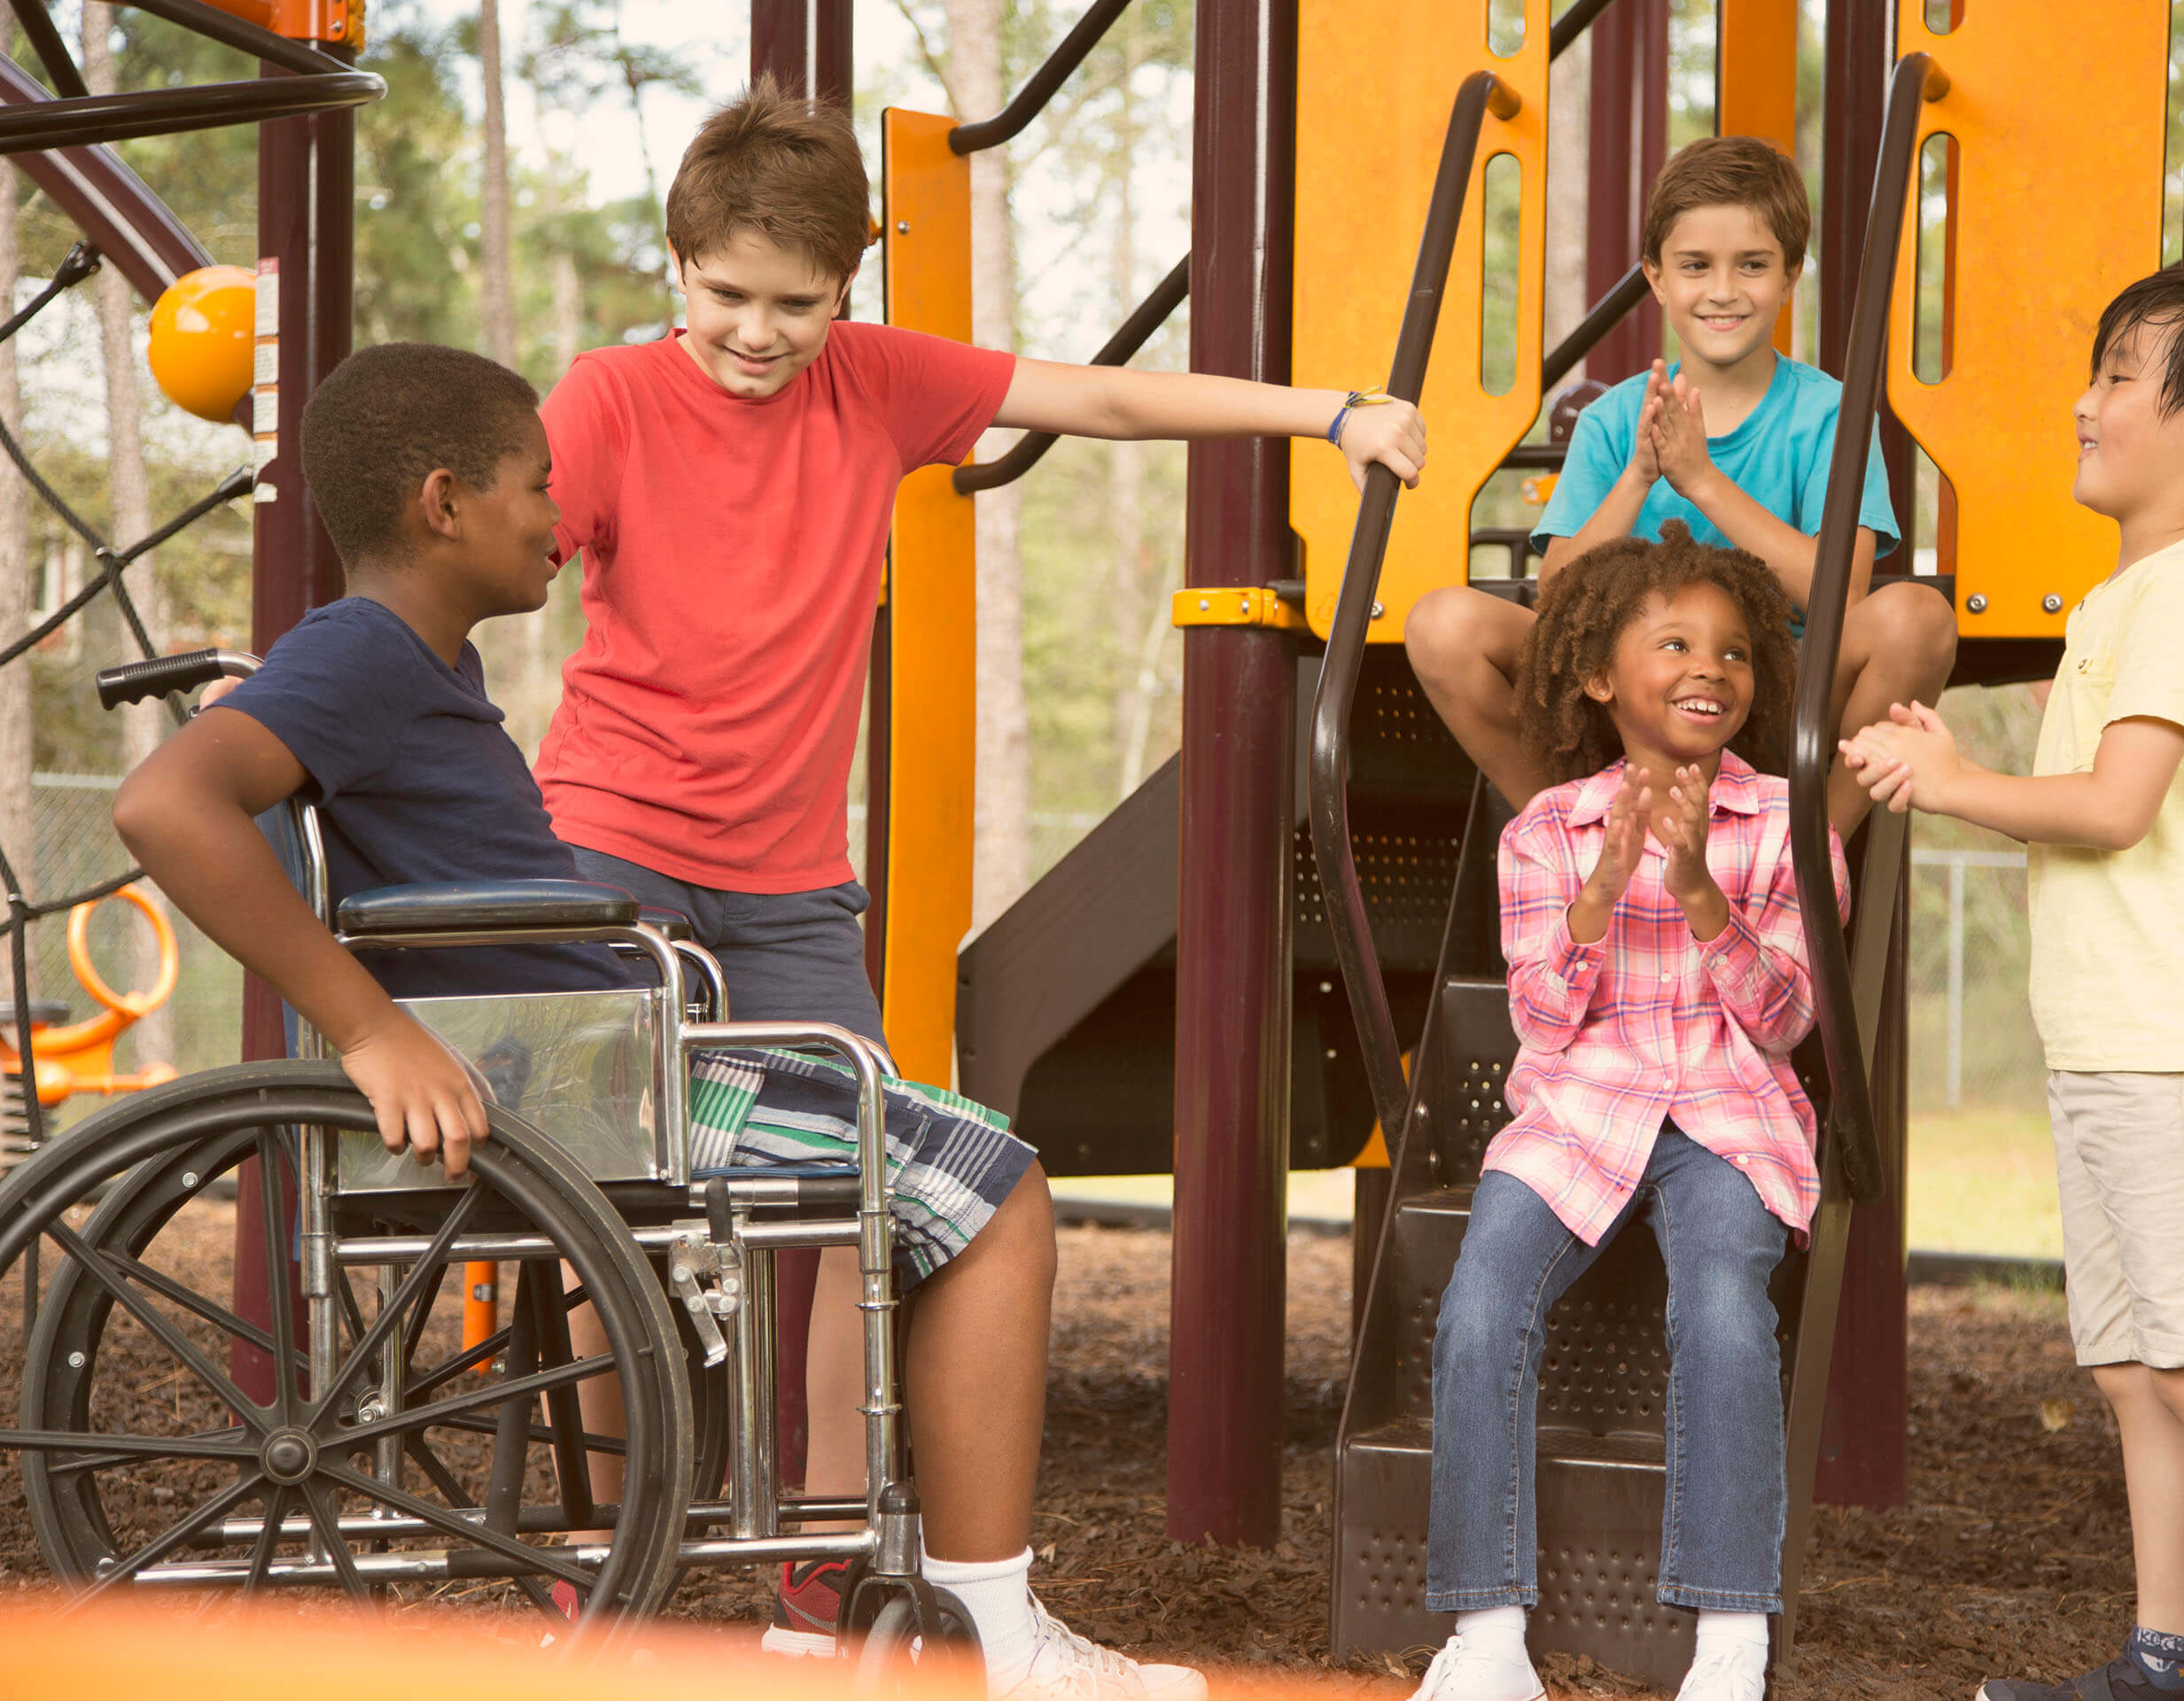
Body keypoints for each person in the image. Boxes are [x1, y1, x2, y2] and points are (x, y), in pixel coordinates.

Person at [110, 343, 1205, 1701]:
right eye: (536, 488)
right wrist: (371, 1028)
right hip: (584, 1085)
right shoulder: (364, 655)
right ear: (444, 503)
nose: (558, 519)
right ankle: (995, 1642)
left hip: (603, 1055)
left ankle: (876, 1586)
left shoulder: (397, 665)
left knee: (944, 1155)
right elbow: (164, 805)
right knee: (998, 1190)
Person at [530, 81, 1426, 1647]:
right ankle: (596, 1547)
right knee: (616, 1193)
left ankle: (818, 1553)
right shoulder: (606, 400)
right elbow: (490, 550)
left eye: (795, 304)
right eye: (728, 295)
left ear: (846, 293)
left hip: (792, 882)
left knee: (857, 1205)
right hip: (616, 849)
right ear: (678, 270)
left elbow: (1106, 401)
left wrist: (1328, 413)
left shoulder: (872, 387)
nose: (758, 331)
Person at [1839, 266, 2184, 1701]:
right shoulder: (2151, 593)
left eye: (2124, 373)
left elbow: (2119, 802)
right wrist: (1958, 751)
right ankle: (2164, 1654)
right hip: (2124, 1041)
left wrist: (1955, 779)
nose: (2087, 399)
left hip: (2182, 1043)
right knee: (2140, 1370)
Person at [1410, 524, 1846, 1701]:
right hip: (1579, 1114)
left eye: (1736, 652)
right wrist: (1607, 885)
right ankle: (1487, 1637)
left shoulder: (1788, 828)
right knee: (1479, 1304)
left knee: (1718, 1305)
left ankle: (1730, 1638)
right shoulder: (1546, 831)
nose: (1712, 668)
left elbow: (1786, 1022)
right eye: (1675, 644)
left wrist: (1701, 887)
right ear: (1600, 677)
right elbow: (1546, 1020)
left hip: (1727, 1114)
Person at [1401, 135, 1955, 831]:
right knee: (1441, 623)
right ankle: (1571, 828)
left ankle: (1811, 851)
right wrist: (1639, 476)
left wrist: (1702, 480)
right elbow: (1558, 602)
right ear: (1657, 278)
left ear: (1789, 277)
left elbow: (1838, 591)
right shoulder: (1614, 421)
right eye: (1696, 266)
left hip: (1779, 683)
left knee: (1918, 618)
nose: (1723, 290)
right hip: (1632, 689)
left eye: (1751, 265)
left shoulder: (1831, 416)